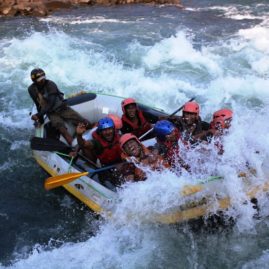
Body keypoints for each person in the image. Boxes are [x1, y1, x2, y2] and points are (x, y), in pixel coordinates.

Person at [28, 68, 91, 145]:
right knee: (62, 129)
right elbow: (38, 104)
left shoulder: (50, 84)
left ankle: (93, 126)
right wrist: (41, 121)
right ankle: (75, 146)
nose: (42, 81)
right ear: (34, 81)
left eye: (43, 78)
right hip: (51, 113)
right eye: (40, 80)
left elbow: (51, 103)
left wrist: (39, 115)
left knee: (83, 122)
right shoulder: (31, 89)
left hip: (61, 107)